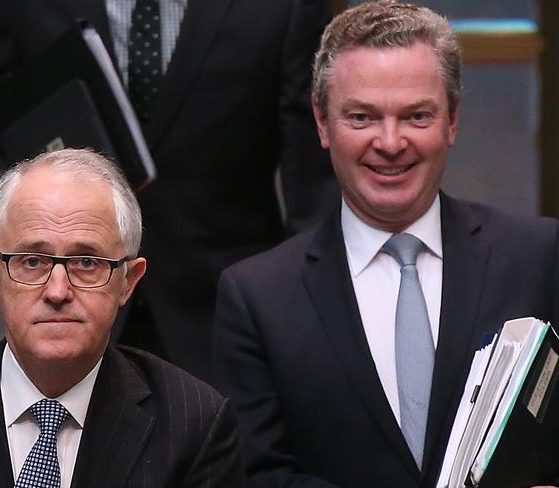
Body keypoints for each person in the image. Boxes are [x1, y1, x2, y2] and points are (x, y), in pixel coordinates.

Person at [213, 1, 559, 487]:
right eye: (362, 117)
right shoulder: (258, 296)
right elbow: (255, 476)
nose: (391, 142)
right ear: (322, 122)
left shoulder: (539, 257)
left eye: (417, 115)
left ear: (453, 121)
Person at [0, 0, 339, 381]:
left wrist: (302, 315)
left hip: (222, 317)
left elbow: (313, 170)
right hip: (65, 302)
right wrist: (26, 219)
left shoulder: (287, 7)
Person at [0, 149, 245, 487]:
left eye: (86, 262)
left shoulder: (194, 425)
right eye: (31, 261)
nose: (57, 292)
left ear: (128, 282)